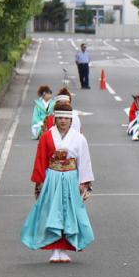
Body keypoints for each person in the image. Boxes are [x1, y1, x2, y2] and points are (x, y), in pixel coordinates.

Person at [20, 102, 94, 264]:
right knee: (52, 213)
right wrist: (39, 181)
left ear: (71, 120)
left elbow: (84, 160)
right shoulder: (47, 136)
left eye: (66, 118)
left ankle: (65, 249)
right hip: (52, 177)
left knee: (69, 214)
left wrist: (84, 181)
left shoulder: (79, 138)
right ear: (54, 118)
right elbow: (40, 159)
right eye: (59, 117)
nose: (62, 121)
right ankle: (55, 249)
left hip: (71, 178)